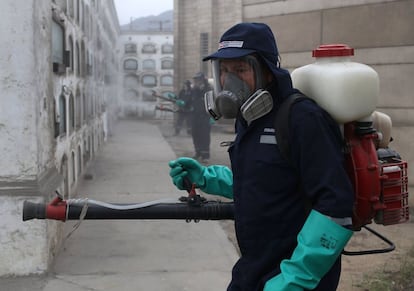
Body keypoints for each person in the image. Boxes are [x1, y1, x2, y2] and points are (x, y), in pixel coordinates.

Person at [168, 22, 354, 291]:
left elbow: (335, 205)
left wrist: (295, 279)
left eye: (241, 69)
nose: (228, 81)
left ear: (267, 71)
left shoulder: (302, 119)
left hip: (293, 277)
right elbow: (264, 181)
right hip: (253, 269)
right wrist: (208, 178)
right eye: (224, 71)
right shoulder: (249, 117)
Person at [190, 72, 212, 163]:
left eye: (198, 79)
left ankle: (205, 155)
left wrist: (213, 116)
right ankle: (197, 152)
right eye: (195, 79)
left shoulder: (208, 90)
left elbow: (212, 103)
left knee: (204, 136)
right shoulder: (194, 90)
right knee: (195, 134)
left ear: (202, 80)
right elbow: (189, 101)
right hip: (195, 116)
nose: (196, 81)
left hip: (205, 117)